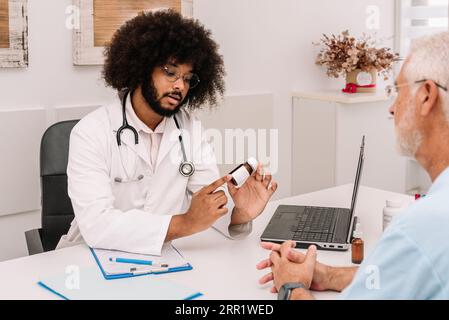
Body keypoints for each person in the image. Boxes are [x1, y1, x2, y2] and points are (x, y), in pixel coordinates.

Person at [57, 9, 278, 255]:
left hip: (164, 257)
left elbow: (206, 205)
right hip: (89, 257)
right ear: (141, 68)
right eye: (170, 72)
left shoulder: (189, 128)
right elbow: (97, 225)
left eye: (187, 78)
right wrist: (185, 223)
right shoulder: (90, 132)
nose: (180, 86)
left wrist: (239, 214)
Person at [257, 31, 449, 300]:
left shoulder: (422, 228)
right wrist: (330, 275)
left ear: (427, 96)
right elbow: (404, 276)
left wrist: (292, 286)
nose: (392, 108)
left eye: (397, 91)